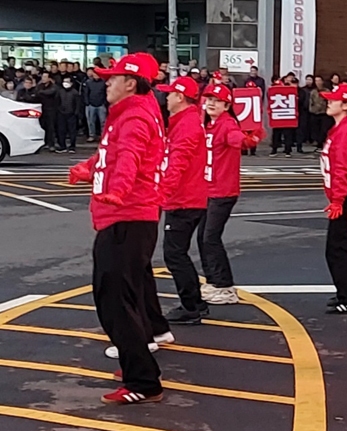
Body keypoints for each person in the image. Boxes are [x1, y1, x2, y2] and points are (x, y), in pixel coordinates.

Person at [67, 53, 168, 405]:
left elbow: (129, 157)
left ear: (131, 83)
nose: (106, 82)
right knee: (125, 296)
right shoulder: (130, 113)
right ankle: (136, 367)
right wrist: (87, 168)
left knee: (113, 300)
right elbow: (111, 155)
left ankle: (143, 380)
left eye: (113, 77)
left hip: (126, 216)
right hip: (128, 216)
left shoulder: (135, 116)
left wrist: (119, 190)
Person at [200, 84, 262, 304]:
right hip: (208, 189)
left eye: (216, 100)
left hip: (222, 190)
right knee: (203, 237)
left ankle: (224, 285)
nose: (211, 103)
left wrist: (251, 138)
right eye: (208, 99)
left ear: (227, 105)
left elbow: (238, 140)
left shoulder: (226, 124)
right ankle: (213, 281)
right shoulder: (209, 124)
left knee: (210, 237)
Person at [157, 77, 211, 324]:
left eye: (170, 94)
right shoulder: (185, 121)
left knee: (174, 253)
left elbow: (179, 161)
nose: (166, 98)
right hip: (185, 197)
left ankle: (191, 305)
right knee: (177, 252)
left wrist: (163, 191)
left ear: (180, 97)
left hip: (185, 199)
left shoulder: (187, 124)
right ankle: (195, 303)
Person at [320, 83, 347, 314]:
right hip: (345, 195)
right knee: (339, 247)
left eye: (334, 99)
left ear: (346, 105)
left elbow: (343, 169)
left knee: (338, 248)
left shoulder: (346, 131)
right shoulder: (343, 128)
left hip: (346, 197)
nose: (329, 101)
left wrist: (338, 200)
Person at [55, 75, 83, 153]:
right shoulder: (60, 91)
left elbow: (78, 104)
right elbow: (57, 101)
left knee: (72, 131)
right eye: (64, 81)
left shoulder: (75, 92)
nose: (65, 83)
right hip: (61, 113)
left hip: (71, 114)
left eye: (67, 82)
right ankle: (62, 146)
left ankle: (72, 146)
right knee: (61, 130)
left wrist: (76, 113)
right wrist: (59, 110)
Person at [36, 72, 59, 151]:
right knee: (43, 126)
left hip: (51, 109)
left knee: (50, 127)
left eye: (45, 77)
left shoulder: (54, 87)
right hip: (41, 108)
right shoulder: (40, 86)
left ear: (49, 78)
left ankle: (51, 144)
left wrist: (41, 93)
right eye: (43, 76)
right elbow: (37, 93)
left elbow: (50, 92)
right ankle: (44, 143)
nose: (43, 78)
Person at [84, 68, 108, 142]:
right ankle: (92, 135)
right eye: (95, 74)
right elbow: (86, 93)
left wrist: (104, 102)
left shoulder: (104, 83)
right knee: (91, 122)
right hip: (91, 104)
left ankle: (103, 135)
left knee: (103, 122)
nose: (96, 75)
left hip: (101, 104)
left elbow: (106, 93)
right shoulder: (88, 82)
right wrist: (87, 102)